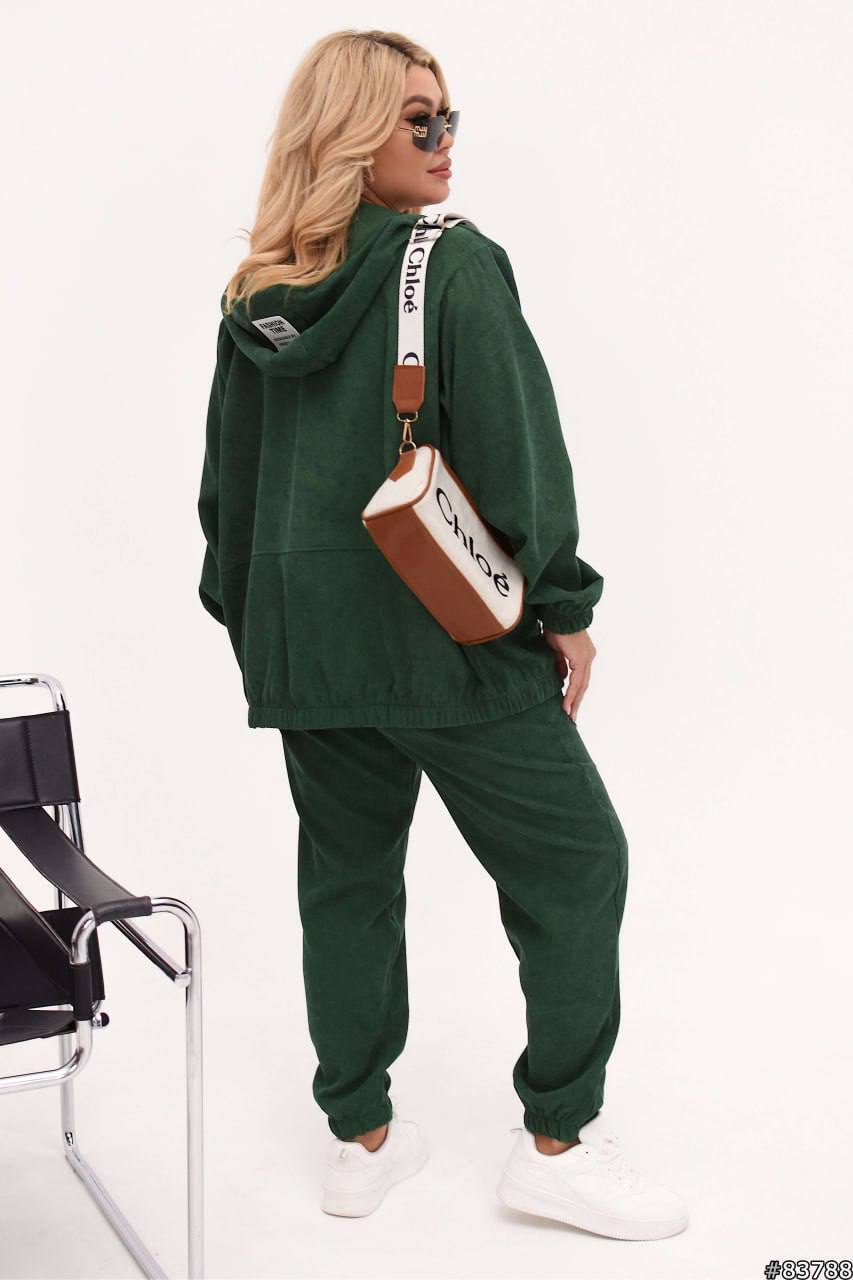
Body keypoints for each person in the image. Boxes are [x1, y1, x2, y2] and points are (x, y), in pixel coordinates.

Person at [197, 27, 688, 1240]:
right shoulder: (452, 266)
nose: (445, 139)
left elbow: (226, 494)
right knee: (576, 862)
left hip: (308, 655)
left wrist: (264, 629)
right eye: (418, 119)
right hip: (447, 644)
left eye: (448, 115)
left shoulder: (255, 297)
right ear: (351, 133)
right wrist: (563, 608)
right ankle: (558, 1140)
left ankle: (359, 1138)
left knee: (347, 879)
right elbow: (520, 458)